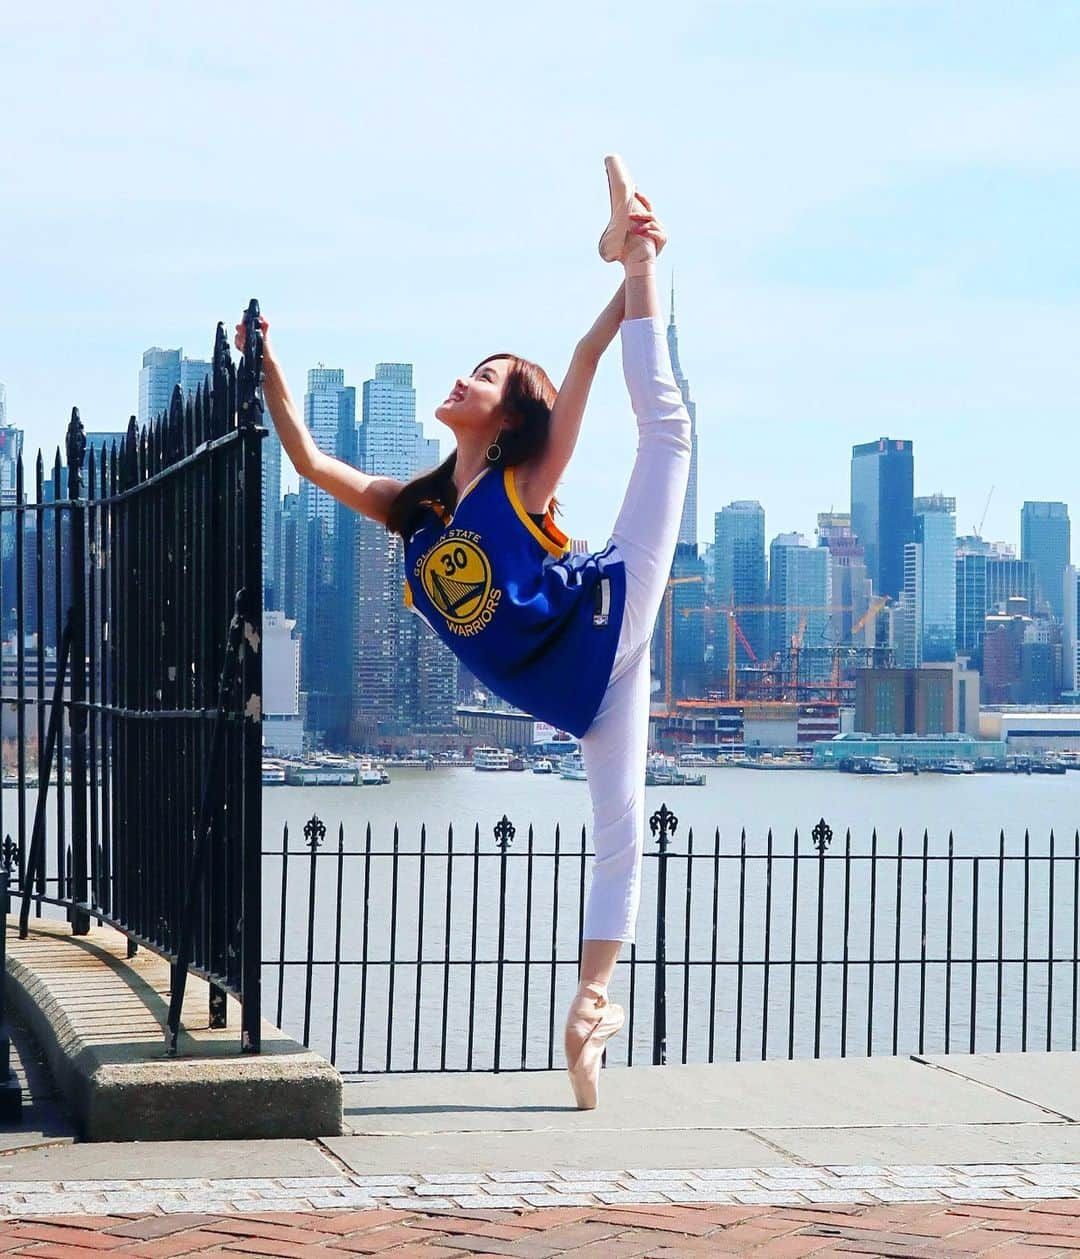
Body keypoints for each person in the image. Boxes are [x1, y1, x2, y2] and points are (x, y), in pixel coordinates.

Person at [237, 155, 691, 1109]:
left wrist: (627, 273)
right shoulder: (417, 509)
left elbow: (579, 364)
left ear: (511, 414)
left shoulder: (521, 485)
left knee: (669, 432)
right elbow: (314, 460)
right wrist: (267, 366)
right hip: (583, 688)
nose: (460, 378)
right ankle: (589, 1012)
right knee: (619, 840)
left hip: (604, 618)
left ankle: (643, 251)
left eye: (483, 375)